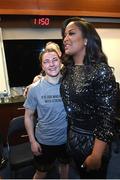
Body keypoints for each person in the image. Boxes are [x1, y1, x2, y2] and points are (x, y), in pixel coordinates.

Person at [60, 17, 117, 179]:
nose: (65, 39)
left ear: (86, 40)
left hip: (93, 144)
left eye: (71, 33)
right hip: (73, 141)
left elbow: (107, 118)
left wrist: (96, 155)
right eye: (64, 35)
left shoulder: (101, 71)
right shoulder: (68, 70)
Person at [23, 43, 69, 179]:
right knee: (41, 173)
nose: (52, 64)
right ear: (42, 66)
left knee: (65, 168)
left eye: (55, 60)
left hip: (67, 140)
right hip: (44, 142)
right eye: (46, 61)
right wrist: (32, 141)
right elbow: (28, 117)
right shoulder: (34, 89)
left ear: (60, 61)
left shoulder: (69, 85)